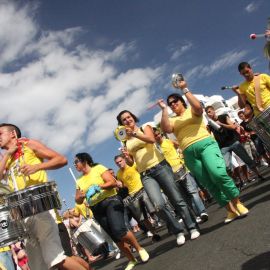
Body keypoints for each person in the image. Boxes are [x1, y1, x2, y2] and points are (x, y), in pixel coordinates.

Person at [158, 78, 249, 224]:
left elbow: (199, 109)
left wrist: (185, 89)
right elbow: (166, 129)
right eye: (170, 104)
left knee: (218, 174)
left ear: (182, 101)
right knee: (208, 183)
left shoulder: (191, 110)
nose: (173, 105)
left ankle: (237, 202)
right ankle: (230, 211)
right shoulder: (172, 119)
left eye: (175, 101)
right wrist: (163, 110)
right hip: (188, 152)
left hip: (206, 144)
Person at [0, 123, 88, 270]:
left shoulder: (29, 145)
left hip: (41, 208)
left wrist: (36, 167)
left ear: (12, 134)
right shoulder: (6, 158)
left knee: (55, 259)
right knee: (37, 266)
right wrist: (8, 154)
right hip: (23, 215)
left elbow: (61, 159)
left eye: (0, 133)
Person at [116, 110, 200, 246]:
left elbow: (151, 139)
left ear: (133, 117)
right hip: (145, 174)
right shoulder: (126, 141)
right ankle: (178, 231)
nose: (127, 120)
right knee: (159, 205)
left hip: (160, 167)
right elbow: (131, 163)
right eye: (123, 120)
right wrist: (127, 156)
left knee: (177, 199)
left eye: (129, 117)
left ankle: (191, 227)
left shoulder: (144, 128)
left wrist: (135, 133)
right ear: (121, 124)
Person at [74, 152, 149, 270]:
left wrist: (99, 187)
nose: (75, 165)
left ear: (84, 161)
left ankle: (140, 249)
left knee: (119, 229)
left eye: (76, 162)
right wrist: (81, 196)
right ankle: (132, 260)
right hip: (96, 208)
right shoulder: (79, 180)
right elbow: (77, 200)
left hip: (110, 201)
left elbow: (112, 182)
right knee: (115, 237)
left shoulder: (98, 168)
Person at [152, 128, 208, 224]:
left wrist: (181, 155)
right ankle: (197, 215)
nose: (158, 136)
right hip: (170, 175)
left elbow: (180, 146)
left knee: (193, 191)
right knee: (185, 197)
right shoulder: (155, 149)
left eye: (158, 134)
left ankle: (202, 212)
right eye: (155, 135)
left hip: (181, 169)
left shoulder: (168, 141)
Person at [205, 105, 264, 181]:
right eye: (207, 113)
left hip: (233, 142)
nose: (209, 114)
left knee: (247, 159)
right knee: (226, 167)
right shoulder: (210, 125)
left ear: (213, 111)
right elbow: (209, 136)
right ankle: (236, 182)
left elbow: (233, 127)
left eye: (209, 111)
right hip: (223, 147)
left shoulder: (223, 117)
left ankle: (259, 175)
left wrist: (221, 124)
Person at [114, 155, 161, 240]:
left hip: (143, 190)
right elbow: (124, 185)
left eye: (120, 161)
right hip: (132, 195)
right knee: (142, 218)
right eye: (117, 163)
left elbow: (142, 172)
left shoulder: (132, 165)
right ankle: (155, 234)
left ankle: (168, 224)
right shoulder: (118, 174)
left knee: (154, 210)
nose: (119, 163)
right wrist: (121, 185)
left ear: (124, 160)